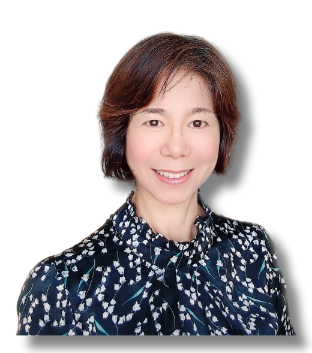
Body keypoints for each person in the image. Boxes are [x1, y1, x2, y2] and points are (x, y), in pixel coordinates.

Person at [17, 33, 295, 335]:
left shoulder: (252, 250)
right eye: (154, 122)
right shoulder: (62, 286)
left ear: (222, 133)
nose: (176, 148)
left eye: (197, 122)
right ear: (121, 132)